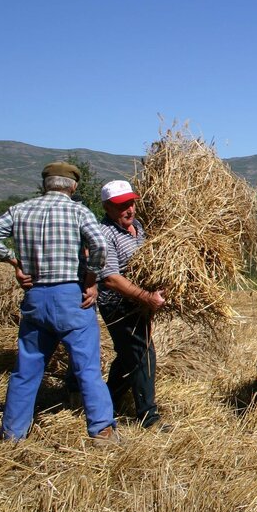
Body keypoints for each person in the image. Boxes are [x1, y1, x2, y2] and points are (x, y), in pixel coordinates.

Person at [0, 162, 118, 443]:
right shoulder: (77, 211)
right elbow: (100, 246)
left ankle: (12, 435)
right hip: (71, 298)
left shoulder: (21, 210)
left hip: (36, 298)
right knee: (87, 368)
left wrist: (14, 261)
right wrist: (91, 280)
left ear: (44, 184)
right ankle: (101, 430)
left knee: (26, 370)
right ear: (73, 186)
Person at [96, 180, 167, 429]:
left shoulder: (138, 227)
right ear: (106, 207)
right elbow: (111, 279)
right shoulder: (104, 234)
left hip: (137, 303)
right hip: (117, 304)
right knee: (142, 353)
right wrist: (146, 297)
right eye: (121, 206)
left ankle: (106, 402)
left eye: (131, 203)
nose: (129, 209)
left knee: (129, 355)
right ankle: (149, 416)